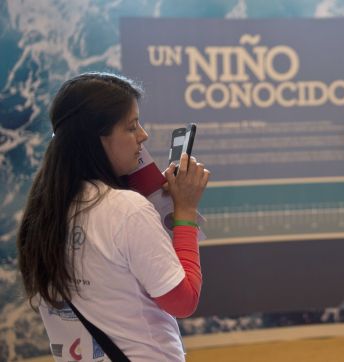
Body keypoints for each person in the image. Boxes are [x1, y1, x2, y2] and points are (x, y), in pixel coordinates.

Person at [16, 72, 210, 361]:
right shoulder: (126, 209)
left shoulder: (43, 212)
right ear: (97, 138)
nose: (143, 136)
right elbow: (182, 300)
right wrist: (185, 211)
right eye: (131, 127)